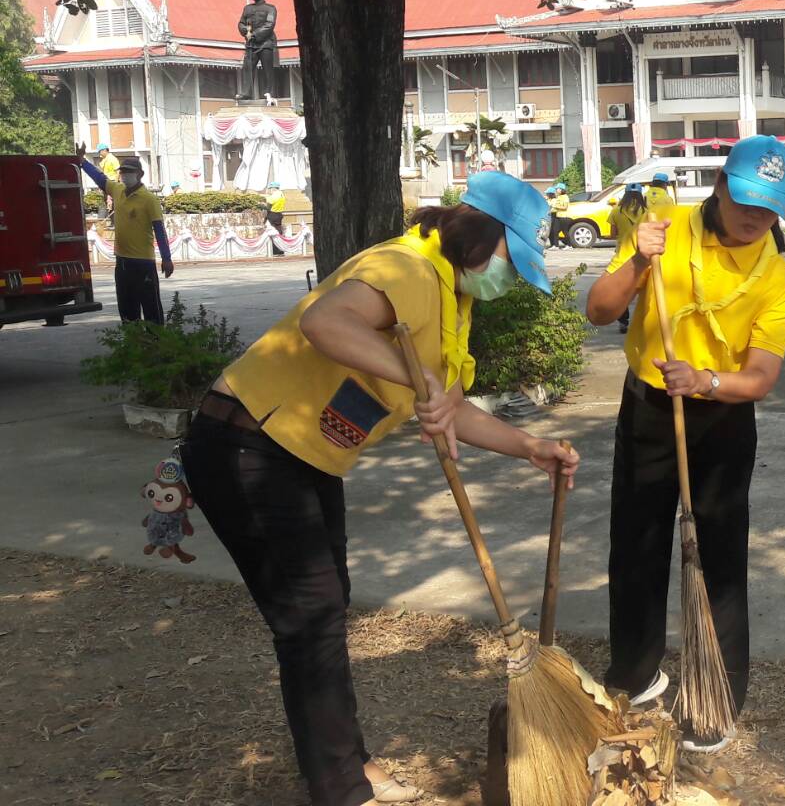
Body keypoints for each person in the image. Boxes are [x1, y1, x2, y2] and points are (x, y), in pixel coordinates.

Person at [179, 170, 577, 806]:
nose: (509, 279)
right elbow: (326, 322)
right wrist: (415, 374)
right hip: (248, 446)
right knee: (311, 618)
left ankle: (345, 766)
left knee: (323, 614)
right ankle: (341, 785)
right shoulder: (406, 268)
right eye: (511, 261)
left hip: (307, 457)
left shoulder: (453, 297)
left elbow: (448, 406)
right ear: (480, 235)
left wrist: (530, 446)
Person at [584, 135, 785, 754]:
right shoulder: (665, 228)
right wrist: (636, 264)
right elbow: (599, 312)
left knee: (720, 557)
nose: (753, 214)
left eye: (768, 205)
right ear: (722, 184)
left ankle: (718, 696)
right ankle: (635, 675)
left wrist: (706, 380)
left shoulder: (778, 278)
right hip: (650, 408)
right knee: (636, 545)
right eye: (746, 197)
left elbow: (759, 378)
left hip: (723, 419)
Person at [79, 154, 173, 323]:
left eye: (129, 172)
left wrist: (166, 258)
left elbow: (159, 230)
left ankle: (157, 343)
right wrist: (83, 162)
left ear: (140, 174)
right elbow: (100, 179)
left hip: (143, 262)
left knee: (151, 307)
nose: (125, 175)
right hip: (122, 262)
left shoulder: (149, 200)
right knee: (127, 308)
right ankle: (132, 343)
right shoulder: (118, 190)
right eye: (122, 172)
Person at [612, 184, 648, 332]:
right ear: (640, 195)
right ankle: (646, 322)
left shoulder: (616, 211)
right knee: (646, 289)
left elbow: (612, 233)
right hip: (643, 252)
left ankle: (623, 322)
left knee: (622, 290)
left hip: (622, 254)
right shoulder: (646, 211)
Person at [265, 181, 289, 255]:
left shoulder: (276, 194)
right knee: (279, 232)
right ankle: (280, 250)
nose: (270, 190)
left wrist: (265, 197)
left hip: (273, 214)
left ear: (273, 188)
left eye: (270, 188)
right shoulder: (282, 194)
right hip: (279, 214)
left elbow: (270, 201)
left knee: (272, 232)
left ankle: (275, 250)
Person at [549, 184, 575, 249]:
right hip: (558, 216)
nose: (556, 190)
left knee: (564, 231)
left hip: (564, 217)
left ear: (561, 189)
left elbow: (565, 207)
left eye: (557, 189)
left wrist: (555, 206)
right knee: (555, 231)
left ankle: (569, 245)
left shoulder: (565, 197)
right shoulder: (559, 197)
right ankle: (556, 246)